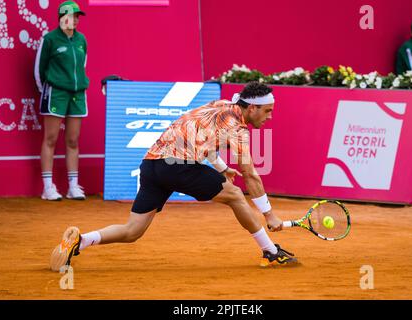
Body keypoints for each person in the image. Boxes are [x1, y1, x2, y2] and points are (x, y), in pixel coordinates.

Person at [49, 82, 298, 271]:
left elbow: (201, 136)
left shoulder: (221, 105)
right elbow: (251, 175)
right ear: (252, 108)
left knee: (133, 231)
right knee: (235, 195)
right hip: (178, 166)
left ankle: (80, 241)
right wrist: (269, 214)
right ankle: (270, 251)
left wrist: (222, 168)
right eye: (267, 111)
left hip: (152, 164)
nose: (270, 117)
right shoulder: (237, 129)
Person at [34, 1, 89, 201]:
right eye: (72, 15)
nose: (75, 19)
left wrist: (75, 84)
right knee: (50, 139)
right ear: (61, 17)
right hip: (55, 93)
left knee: (73, 140)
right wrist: (47, 89)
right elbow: (39, 70)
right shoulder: (50, 39)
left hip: (77, 94)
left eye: (77, 16)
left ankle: (73, 186)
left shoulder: (82, 40)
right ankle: (48, 188)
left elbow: (82, 66)